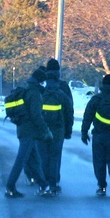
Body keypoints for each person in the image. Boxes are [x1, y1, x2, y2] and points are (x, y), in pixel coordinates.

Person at [5, 67, 54, 198]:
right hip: (29, 132)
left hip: (24, 130)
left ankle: (44, 186)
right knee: (21, 160)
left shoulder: (28, 90)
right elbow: (36, 115)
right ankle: (10, 187)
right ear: (41, 81)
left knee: (34, 161)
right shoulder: (35, 94)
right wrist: (46, 131)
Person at [42, 61, 73, 193]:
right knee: (55, 156)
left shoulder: (41, 86)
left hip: (42, 129)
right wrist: (68, 130)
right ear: (58, 72)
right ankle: (54, 183)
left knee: (43, 155)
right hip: (59, 128)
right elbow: (69, 110)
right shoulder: (63, 87)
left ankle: (44, 183)